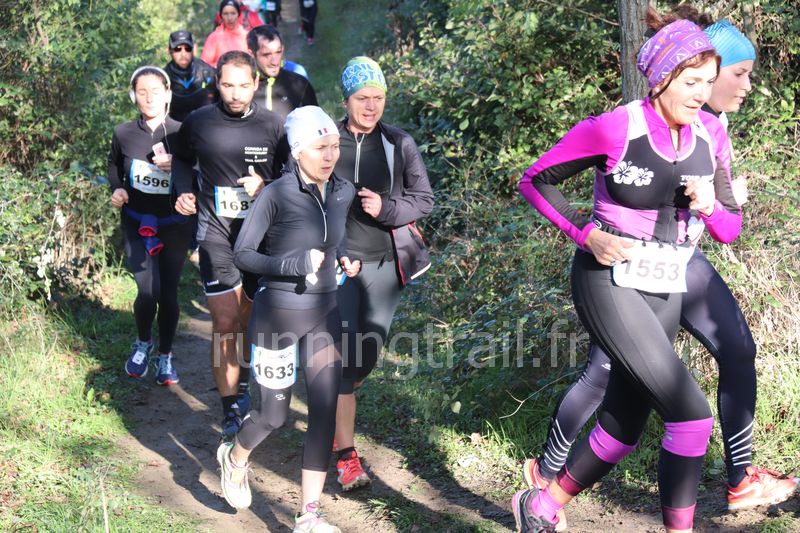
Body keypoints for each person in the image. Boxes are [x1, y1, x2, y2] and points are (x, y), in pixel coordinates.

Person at [520, 10, 797, 524]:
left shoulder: (710, 133)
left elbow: (729, 229)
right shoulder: (614, 127)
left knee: (624, 426)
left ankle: (541, 504)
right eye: (691, 82)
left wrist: (711, 205)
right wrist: (586, 233)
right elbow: (535, 180)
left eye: (708, 82)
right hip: (607, 278)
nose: (700, 94)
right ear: (662, 77)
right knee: (691, 416)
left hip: (666, 283)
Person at [217, 105, 355, 533]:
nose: (330, 156)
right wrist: (291, 265)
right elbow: (242, 254)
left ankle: (308, 516)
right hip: (276, 314)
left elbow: (335, 237)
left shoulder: (343, 191)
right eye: (320, 148)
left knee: (323, 411)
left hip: (325, 313)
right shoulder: (275, 194)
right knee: (273, 416)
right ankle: (235, 457)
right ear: (297, 151)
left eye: (334, 146)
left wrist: (345, 257)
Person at [172, 50, 289, 439]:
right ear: (217, 84)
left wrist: (266, 186)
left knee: (248, 321)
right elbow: (181, 160)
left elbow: (294, 177)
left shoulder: (274, 126)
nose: (235, 93)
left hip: (262, 239)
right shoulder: (198, 122)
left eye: (243, 85)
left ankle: (244, 383)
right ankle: (230, 410)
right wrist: (184, 191)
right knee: (224, 322)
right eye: (227, 85)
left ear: (256, 83)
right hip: (215, 234)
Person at [333, 57, 434, 491]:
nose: (371, 106)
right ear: (346, 100)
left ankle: (334, 401)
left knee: (366, 355)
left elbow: (424, 199)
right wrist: (333, 250)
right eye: (362, 98)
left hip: (385, 266)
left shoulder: (398, 143)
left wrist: (386, 208)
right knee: (342, 360)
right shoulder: (327, 140)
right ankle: (345, 456)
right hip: (339, 265)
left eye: (378, 98)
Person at [108, 66, 191, 386]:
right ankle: (143, 342)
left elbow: (200, 172)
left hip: (174, 225)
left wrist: (178, 166)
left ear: (168, 94)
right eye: (142, 92)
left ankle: (165, 356)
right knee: (147, 291)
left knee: (167, 294)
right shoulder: (123, 133)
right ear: (133, 96)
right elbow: (114, 166)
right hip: (136, 222)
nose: (149, 98)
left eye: (155, 91)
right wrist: (117, 189)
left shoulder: (183, 133)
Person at [247, 25, 317, 122]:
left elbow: (317, 124)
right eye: (267, 54)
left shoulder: (300, 84)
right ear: (251, 54)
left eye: (278, 52)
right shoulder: (241, 89)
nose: (275, 62)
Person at [201, 0, 250, 68]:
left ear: (238, 15)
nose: (229, 18)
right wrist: (224, 66)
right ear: (221, 16)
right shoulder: (214, 37)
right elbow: (204, 65)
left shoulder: (247, 36)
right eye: (226, 14)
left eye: (233, 13)